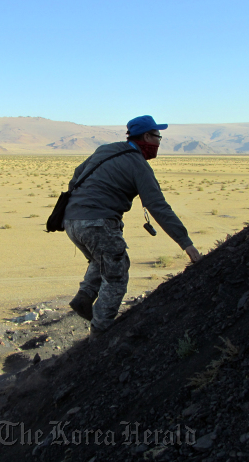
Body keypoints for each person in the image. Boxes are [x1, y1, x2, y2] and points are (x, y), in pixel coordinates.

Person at [63, 115, 202, 340]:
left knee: (103, 259)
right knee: (116, 274)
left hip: (71, 220)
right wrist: (186, 243)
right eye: (157, 137)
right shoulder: (139, 164)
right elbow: (158, 206)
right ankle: (100, 333)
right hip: (98, 223)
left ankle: (85, 296)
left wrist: (78, 204)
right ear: (146, 136)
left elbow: (77, 175)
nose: (158, 142)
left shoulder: (105, 149)